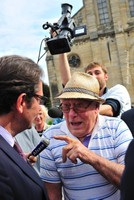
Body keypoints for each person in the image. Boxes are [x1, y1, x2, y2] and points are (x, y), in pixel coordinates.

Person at [40, 72, 133, 200]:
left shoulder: (116, 128)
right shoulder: (50, 137)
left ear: (96, 107)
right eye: (66, 107)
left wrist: (90, 157)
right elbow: (52, 195)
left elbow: (131, 182)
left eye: (79, 106)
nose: (72, 114)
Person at [0, 55, 48, 200]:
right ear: (21, 102)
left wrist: (18, 160)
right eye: (39, 99)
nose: (39, 108)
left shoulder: (9, 148)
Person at [57, 53, 131, 117]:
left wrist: (79, 110)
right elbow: (68, 86)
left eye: (97, 73)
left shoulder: (118, 90)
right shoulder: (85, 100)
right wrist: (61, 51)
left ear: (106, 76)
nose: (93, 76)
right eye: (89, 74)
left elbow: (110, 109)